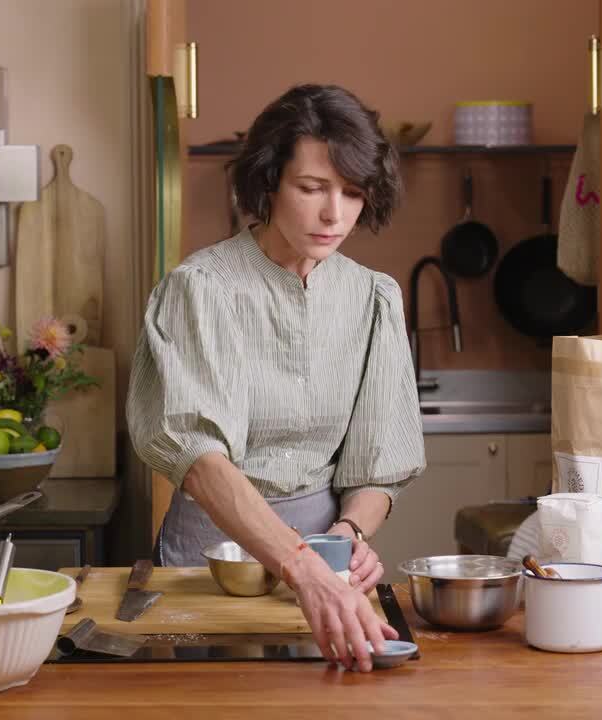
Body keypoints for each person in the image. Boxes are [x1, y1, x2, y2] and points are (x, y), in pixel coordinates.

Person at [126, 83, 425, 673]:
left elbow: (378, 464)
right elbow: (203, 463)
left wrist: (349, 536)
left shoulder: (372, 298)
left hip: (326, 564)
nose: (333, 214)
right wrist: (303, 567)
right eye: (311, 188)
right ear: (268, 182)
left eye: (351, 193)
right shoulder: (202, 290)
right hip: (210, 560)